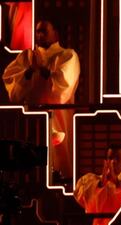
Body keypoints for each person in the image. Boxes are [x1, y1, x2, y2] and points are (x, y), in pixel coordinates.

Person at [3, 19, 80, 177]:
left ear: (56, 34)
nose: (40, 35)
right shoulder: (27, 56)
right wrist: (28, 73)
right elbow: (13, 90)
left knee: (59, 162)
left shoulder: (67, 55)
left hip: (58, 118)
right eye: (37, 31)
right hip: (31, 119)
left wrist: (44, 71)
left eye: (44, 31)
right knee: (30, 162)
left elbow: (62, 90)